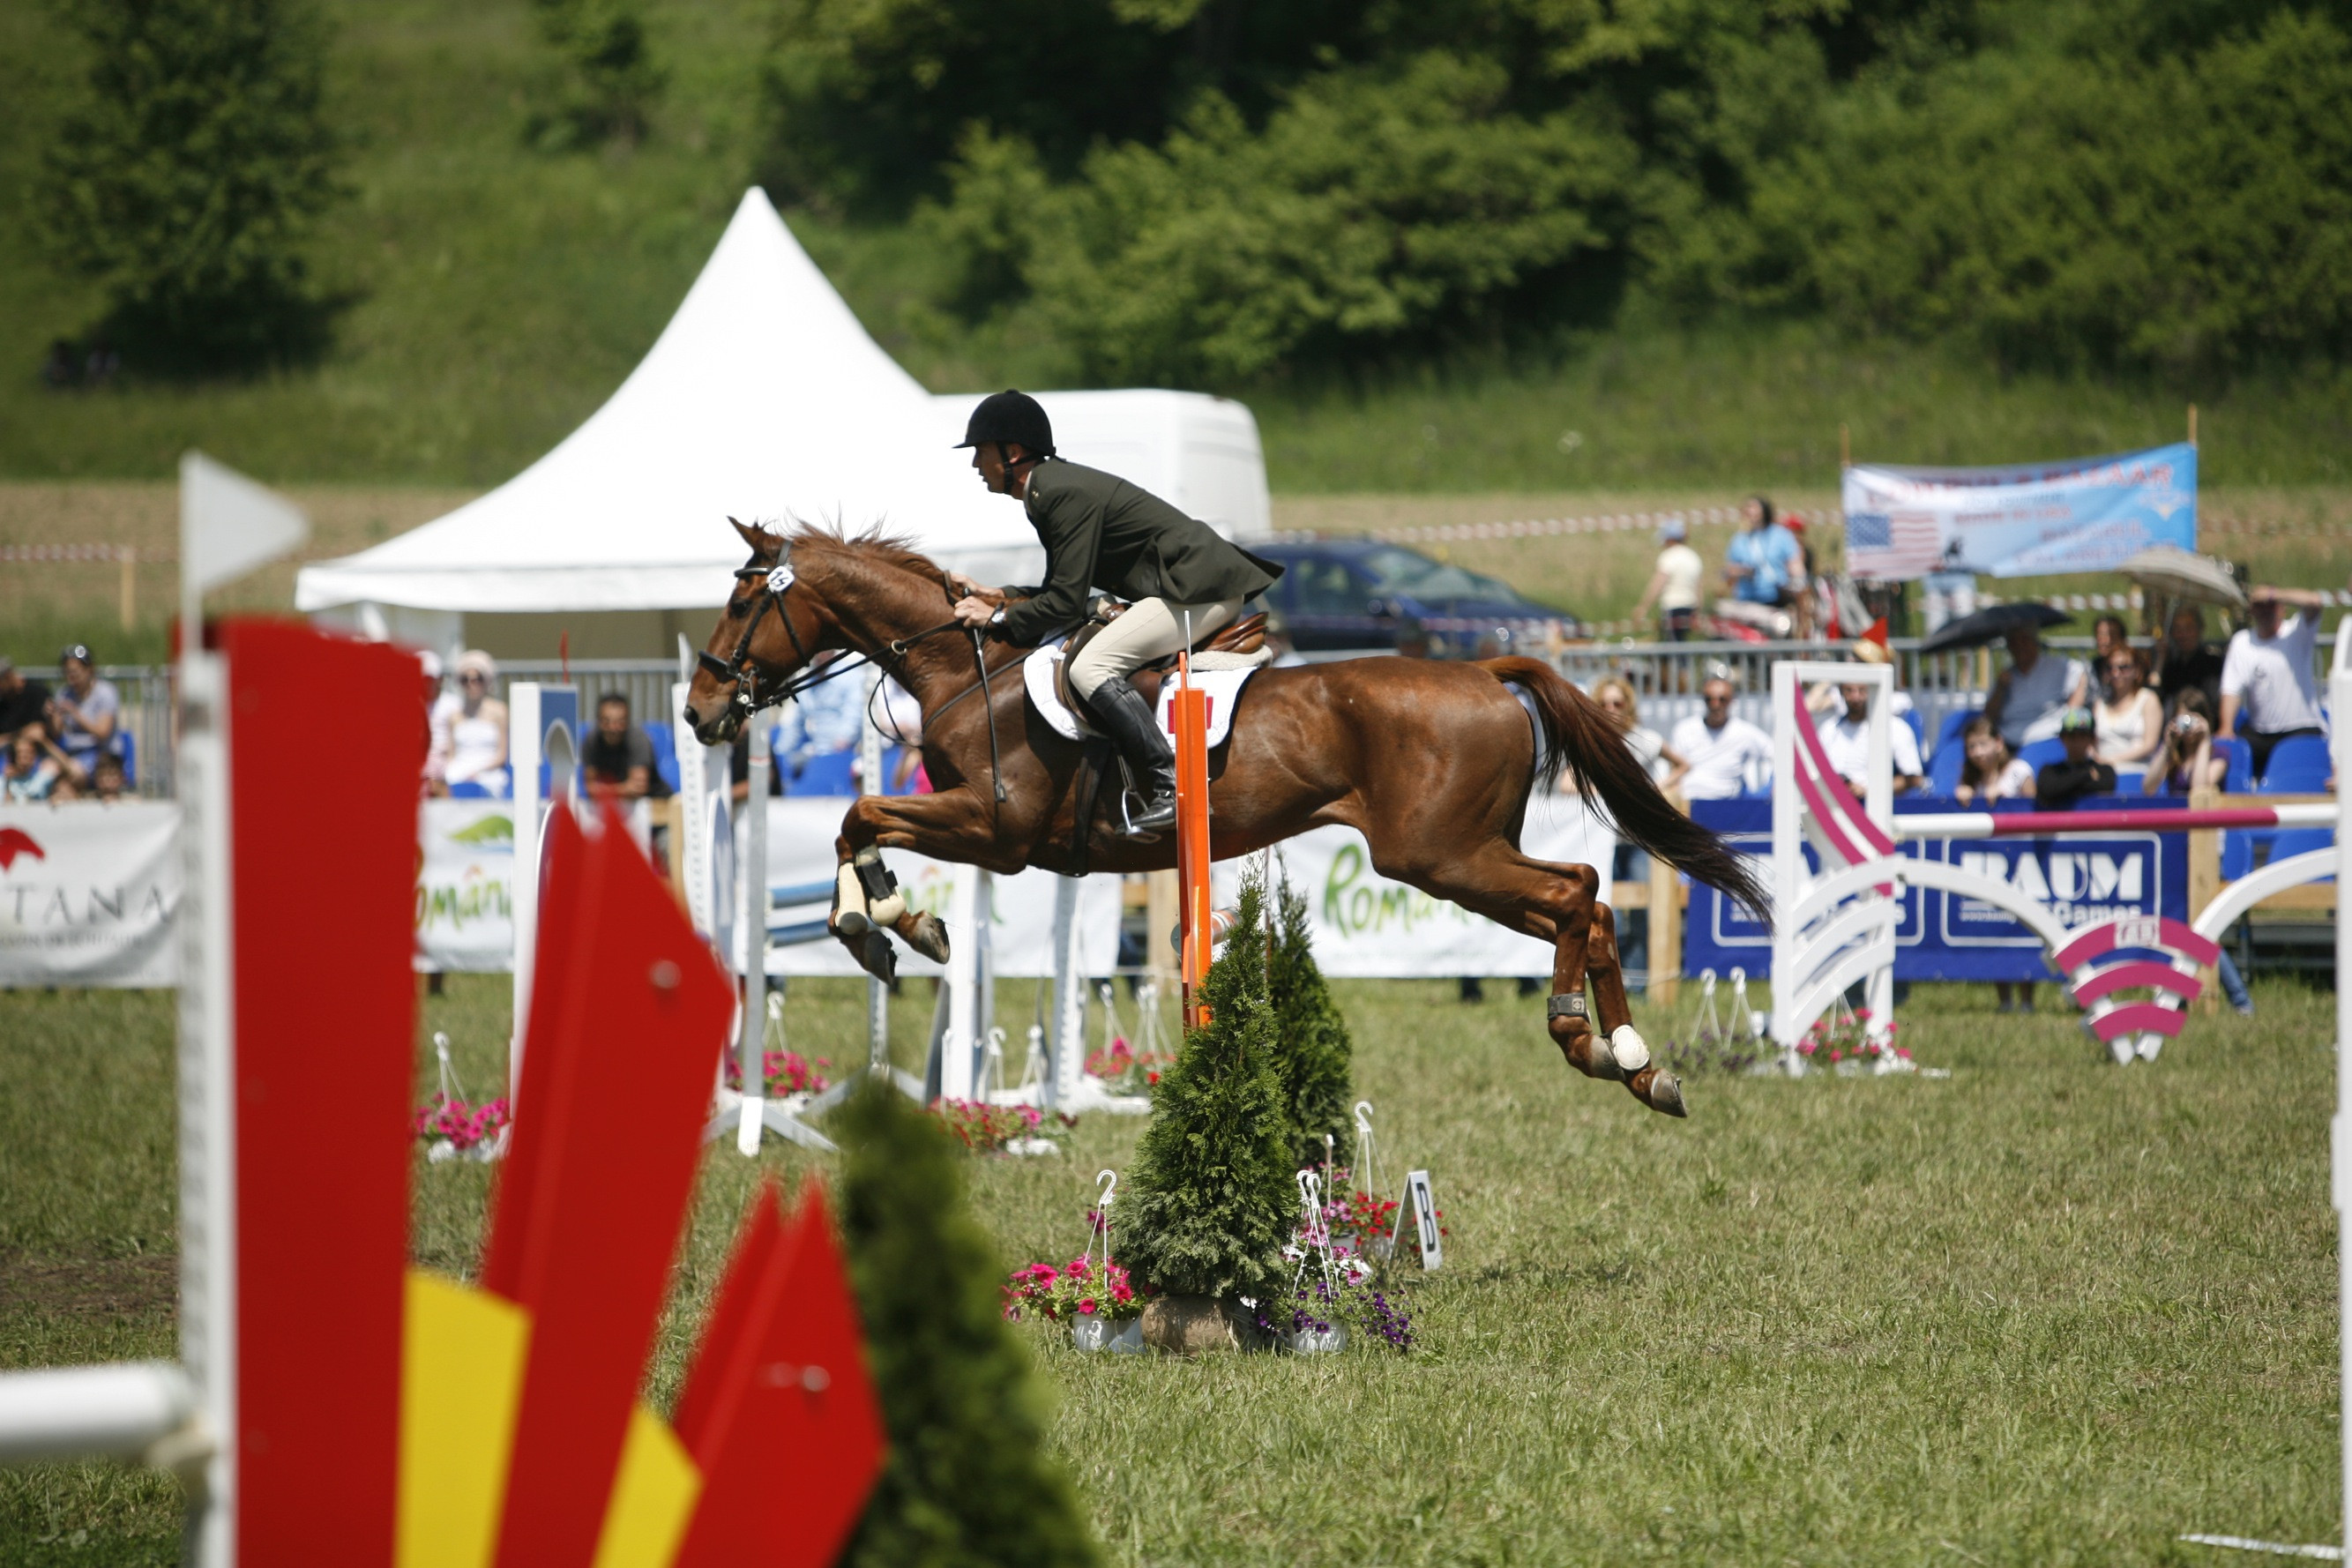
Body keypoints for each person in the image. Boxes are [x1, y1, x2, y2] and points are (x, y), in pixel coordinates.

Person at [949, 389, 1282, 837]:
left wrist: (998, 620)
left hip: (1198, 592)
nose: (975, 465)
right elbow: (1063, 587)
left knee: (1090, 667)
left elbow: (1065, 602)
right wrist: (1000, 594)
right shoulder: (1050, 488)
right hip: (1187, 588)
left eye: (981, 453)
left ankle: (1172, 785)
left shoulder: (1056, 492)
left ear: (1012, 453)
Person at [2219, 585, 2328, 778]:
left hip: (2302, 729)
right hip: (2260, 734)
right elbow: (2231, 690)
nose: (2265, 610)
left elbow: (2315, 601)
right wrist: (2226, 727)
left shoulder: (2296, 632)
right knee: (2228, 751)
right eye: (2259, 605)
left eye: (2271, 605)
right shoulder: (2242, 642)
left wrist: (2273, 593)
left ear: (2282, 608)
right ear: (2251, 610)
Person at [1664, 676, 1772, 800]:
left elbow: (1775, 755)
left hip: (1728, 805)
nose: (1715, 705)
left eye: (1722, 699)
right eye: (1709, 699)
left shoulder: (1744, 732)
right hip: (1690, 803)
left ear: (1731, 700)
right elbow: (1674, 769)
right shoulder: (1684, 729)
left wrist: (1769, 790)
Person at [1982, 626, 2085, 750]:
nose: (2020, 647)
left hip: (2047, 739)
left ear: (2034, 643)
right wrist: (2000, 688)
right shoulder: (2006, 676)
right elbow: (1989, 714)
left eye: (2024, 641)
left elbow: (2081, 674)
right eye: (2014, 643)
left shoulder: (2056, 666)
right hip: (2008, 741)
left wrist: (2071, 714)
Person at [1816, 680, 1923, 795]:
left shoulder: (1896, 728)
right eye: (1849, 690)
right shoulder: (1828, 729)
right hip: (1829, 805)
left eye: (1862, 690)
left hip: (1875, 809)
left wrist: (1869, 792)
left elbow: (1914, 779)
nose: (1856, 697)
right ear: (1841, 692)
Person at [437, 651, 509, 796]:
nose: (472, 684)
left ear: (486, 681)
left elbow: (502, 756)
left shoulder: (499, 711)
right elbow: (451, 756)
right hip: (458, 772)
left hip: (490, 773)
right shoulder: (454, 716)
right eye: (465, 679)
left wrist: (477, 772)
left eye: (477, 679)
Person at [1590, 677, 1684, 783]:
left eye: (1617, 704)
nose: (1610, 709)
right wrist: (1595, 790)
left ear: (1628, 705)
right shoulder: (1593, 742)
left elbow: (1683, 765)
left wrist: (1659, 788)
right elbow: (1568, 780)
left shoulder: (1646, 739)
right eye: (1603, 704)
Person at [49, 645, 122, 779]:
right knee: (48, 768)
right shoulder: (64, 693)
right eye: (67, 673)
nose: (71, 678)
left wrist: (75, 714)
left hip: (102, 755)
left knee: (73, 772)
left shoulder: (105, 692)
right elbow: (56, 733)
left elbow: (103, 732)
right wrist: (54, 715)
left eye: (75, 673)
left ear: (89, 669)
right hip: (72, 753)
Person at [1723, 495, 1803, 616]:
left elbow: (1794, 565)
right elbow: (1730, 570)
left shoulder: (1781, 535)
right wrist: (1742, 571)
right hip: (1747, 600)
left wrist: (1798, 585)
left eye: (1753, 508)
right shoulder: (1740, 539)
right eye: (1748, 508)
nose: (1750, 511)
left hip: (1776, 597)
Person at [582, 692, 668, 801]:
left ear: (627, 721)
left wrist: (602, 791)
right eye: (607, 721)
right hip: (614, 805)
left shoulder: (638, 739)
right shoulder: (592, 740)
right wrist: (623, 788)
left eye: (620, 722)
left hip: (652, 802)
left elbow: (638, 788)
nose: (613, 728)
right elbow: (590, 788)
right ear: (598, 721)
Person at [1629, 519, 1704, 642]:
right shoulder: (1693, 557)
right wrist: (1698, 613)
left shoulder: (1668, 557)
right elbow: (1699, 588)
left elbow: (1657, 584)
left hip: (1673, 608)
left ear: (1670, 539)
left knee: (1673, 646)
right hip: (1690, 608)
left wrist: (1644, 606)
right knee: (1682, 643)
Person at [2092, 646, 2163, 771]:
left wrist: (2111, 761)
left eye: (2123, 667)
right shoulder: (2099, 704)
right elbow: (2090, 742)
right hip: (2103, 775)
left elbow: (2150, 745)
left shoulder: (2148, 699)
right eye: (2110, 668)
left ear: (2137, 671)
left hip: (2138, 772)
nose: (2115, 673)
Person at [2144, 692, 2228, 795]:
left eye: (2192, 720)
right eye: (2183, 720)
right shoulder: (2174, 756)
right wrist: (2167, 746)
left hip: (2204, 810)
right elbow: (2148, 788)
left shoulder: (2219, 755)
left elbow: (2199, 791)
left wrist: (2204, 741)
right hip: (2175, 810)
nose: (2188, 727)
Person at [2034, 708, 2116, 810]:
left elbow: (2106, 786)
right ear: (2062, 739)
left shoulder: (2105, 770)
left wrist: (2063, 788)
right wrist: (2087, 775)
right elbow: (2049, 790)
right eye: (2071, 736)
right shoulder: (2049, 770)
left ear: (2092, 739)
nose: (2077, 742)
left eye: (2082, 736)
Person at [2155, 604, 2225, 720]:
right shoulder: (2170, 667)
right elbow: (2157, 699)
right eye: (2178, 629)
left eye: (2189, 628)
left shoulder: (2213, 665)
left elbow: (2213, 704)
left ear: (2200, 630)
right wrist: (2160, 661)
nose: (2183, 635)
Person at [1953, 717, 2034, 807]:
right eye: (1971, 746)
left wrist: (2003, 799)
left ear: (1998, 743)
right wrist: (1963, 798)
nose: (1978, 752)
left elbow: (2034, 812)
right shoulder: (1968, 779)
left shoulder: (2020, 770)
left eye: (1983, 744)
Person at [0, 656, 54, 747]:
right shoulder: (2, 703)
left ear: (8, 677)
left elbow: (38, 731)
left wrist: (9, 738)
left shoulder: (37, 693)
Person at [3, 727, 64, 803]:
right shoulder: (3, 782)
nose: (24, 756)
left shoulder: (43, 777)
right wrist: (7, 784)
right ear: (13, 756)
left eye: (28, 752)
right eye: (20, 752)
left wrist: (44, 741)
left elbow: (72, 772)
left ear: (35, 755)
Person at [2079, 615, 2131, 706]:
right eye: (2100, 635)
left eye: (2110, 635)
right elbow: (2078, 701)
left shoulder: (2130, 668)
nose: (2104, 641)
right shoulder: (2090, 668)